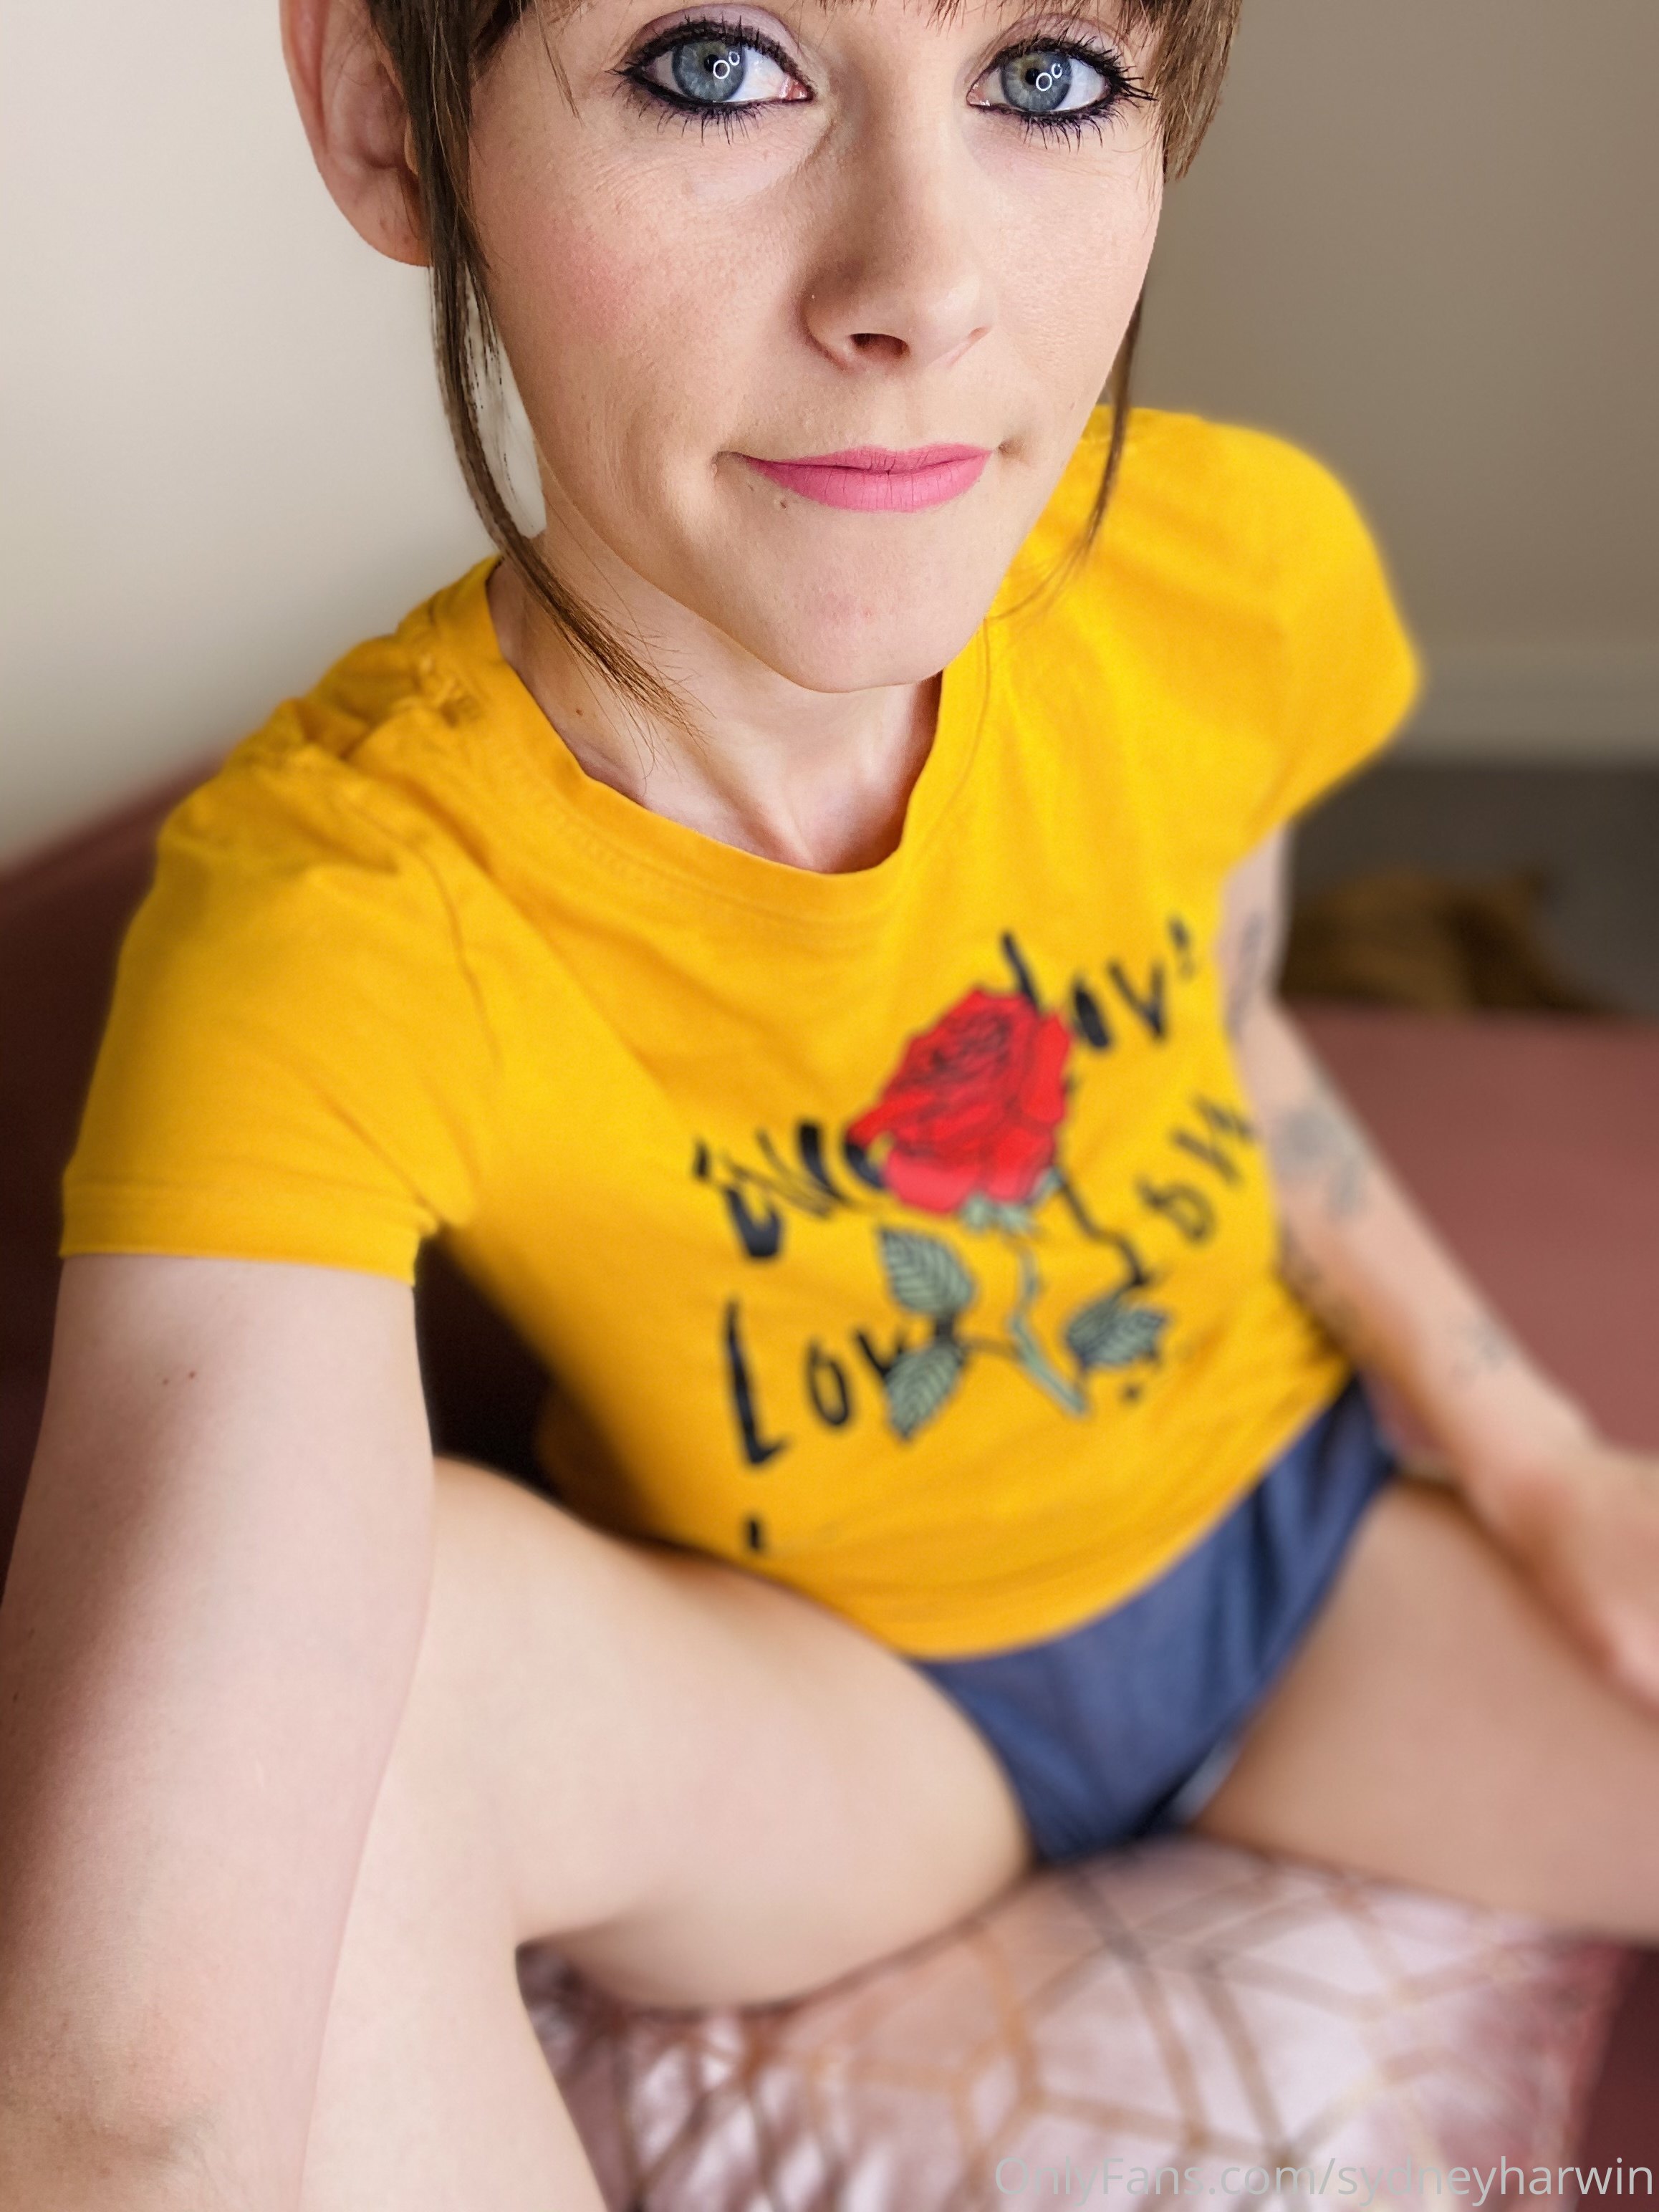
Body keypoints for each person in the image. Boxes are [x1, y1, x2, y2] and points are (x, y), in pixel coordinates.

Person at [2, 0, 1656, 2203]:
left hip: (1298, 1569)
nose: (921, 288)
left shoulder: (1222, 572)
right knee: (374, 1688)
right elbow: (134, 2084)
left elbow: (1233, 1040)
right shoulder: (333, 921)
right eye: (715, 62)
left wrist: (1539, 1464)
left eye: (1047, 75)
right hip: (844, 1724)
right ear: (390, 117)